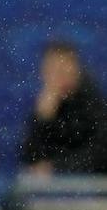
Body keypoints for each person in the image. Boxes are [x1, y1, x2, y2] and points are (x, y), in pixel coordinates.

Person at [20, 40, 107, 174]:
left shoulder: (94, 104)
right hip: (51, 190)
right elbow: (30, 159)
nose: (59, 75)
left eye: (64, 68)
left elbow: (100, 154)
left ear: (77, 70)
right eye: (53, 70)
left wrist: (56, 167)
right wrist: (43, 120)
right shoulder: (45, 106)